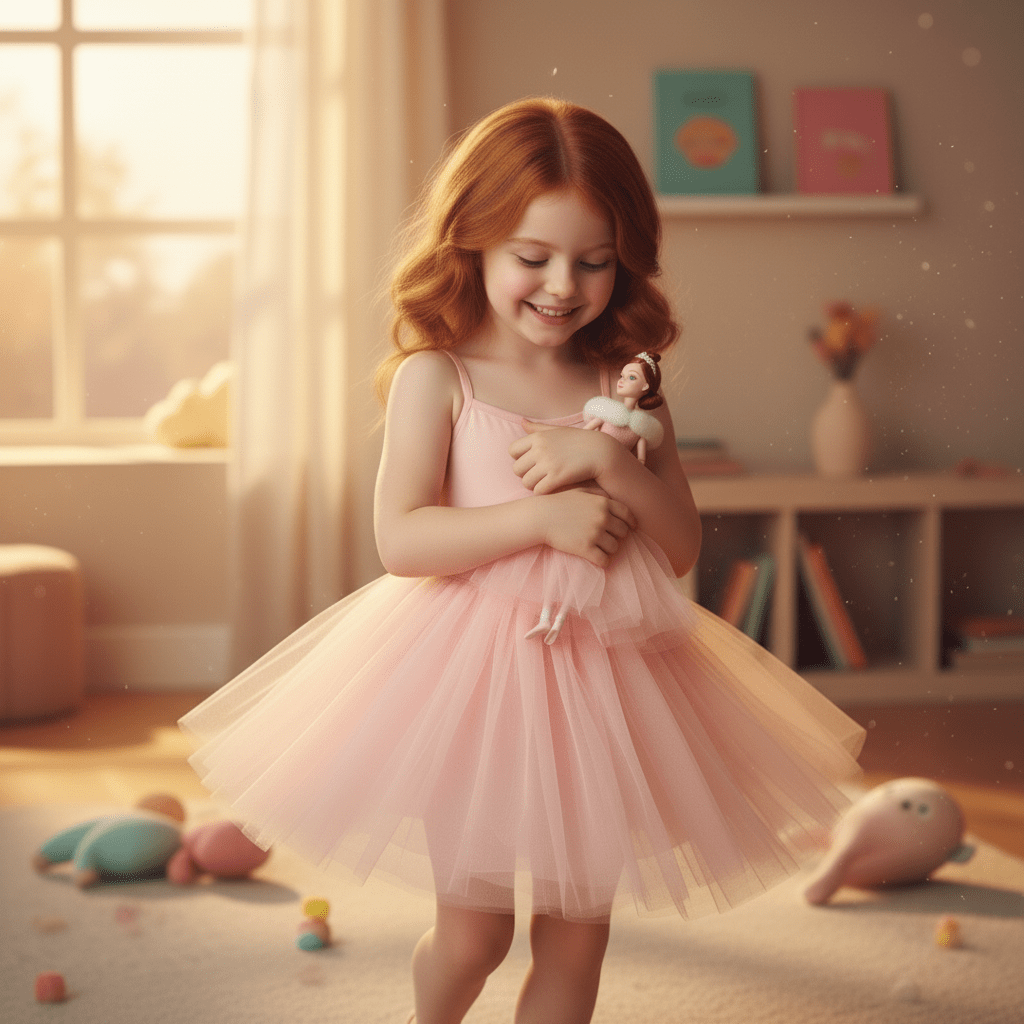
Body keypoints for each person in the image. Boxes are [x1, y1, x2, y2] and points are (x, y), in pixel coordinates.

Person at [181, 97, 864, 1024]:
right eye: (532, 258)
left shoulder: (629, 387)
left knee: (578, 940)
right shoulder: (441, 376)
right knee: (475, 938)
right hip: (472, 684)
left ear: (624, 261)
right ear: (474, 245)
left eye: (592, 262)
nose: (561, 285)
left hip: (610, 686)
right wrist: (541, 523)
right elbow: (403, 540)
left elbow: (676, 549)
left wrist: (611, 462)